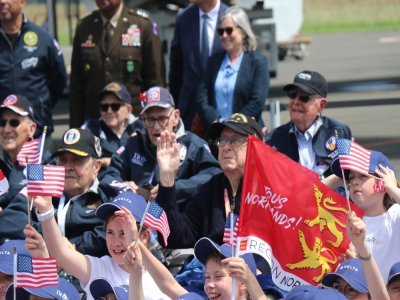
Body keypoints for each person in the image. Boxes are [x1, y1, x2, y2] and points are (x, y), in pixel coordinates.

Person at [31, 190, 169, 300]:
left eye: (123, 233)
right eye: (110, 232)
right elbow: (60, 253)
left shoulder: (159, 280)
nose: (116, 242)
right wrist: (46, 212)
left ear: (143, 236)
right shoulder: (101, 268)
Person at [101, 86, 221, 209]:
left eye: (162, 119)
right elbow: (109, 176)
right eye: (150, 119)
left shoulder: (193, 145)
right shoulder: (134, 143)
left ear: (175, 117)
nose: (156, 127)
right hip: (135, 218)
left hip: (178, 219)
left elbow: (214, 174)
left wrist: (171, 189)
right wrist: (126, 190)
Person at [155, 112, 263, 248]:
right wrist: (167, 179)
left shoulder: (270, 191)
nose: (226, 147)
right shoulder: (209, 191)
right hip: (216, 267)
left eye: (235, 140)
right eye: (222, 140)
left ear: (255, 147)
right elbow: (173, 238)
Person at [0, 128, 113, 257]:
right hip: (41, 268)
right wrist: (49, 234)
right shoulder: (43, 187)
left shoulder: (107, 193)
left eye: (77, 160)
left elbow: (114, 233)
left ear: (96, 166)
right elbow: (6, 221)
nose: (68, 167)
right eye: (63, 160)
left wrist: (75, 246)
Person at [69, 0, 165, 128]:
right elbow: (77, 85)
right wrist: (75, 128)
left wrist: (154, 123)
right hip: (95, 124)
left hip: (133, 123)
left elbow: (155, 81)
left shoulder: (142, 25)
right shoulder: (85, 27)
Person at [265, 70, 352, 179]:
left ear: (321, 105)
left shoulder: (340, 133)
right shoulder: (274, 138)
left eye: (304, 97)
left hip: (330, 195)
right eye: (292, 94)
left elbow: (349, 176)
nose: (296, 101)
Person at [331, 146, 400, 280]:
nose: (354, 182)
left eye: (363, 176)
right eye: (351, 178)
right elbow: (302, 205)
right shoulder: (346, 218)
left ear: (383, 182)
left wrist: (392, 187)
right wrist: (335, 180)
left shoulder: (394, 215)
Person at [196, 6, 269, 131]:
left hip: (247, 133)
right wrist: (214, 120)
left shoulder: (258, 62)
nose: (224, 35)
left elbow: (257, 101)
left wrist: (234, 124)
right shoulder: (214, 61)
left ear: (243, 32)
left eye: (229, 30)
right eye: (220, 31)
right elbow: (201, 96)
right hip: (217, 134)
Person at [0, 0, 67, 137]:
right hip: (2, 132)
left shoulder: (43, 38)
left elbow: (59, 80)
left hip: (37, 130)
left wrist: (41, 106)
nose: (2, 1)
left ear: (22, 2)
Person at [169, 0, 228, 129]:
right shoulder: (184, 18)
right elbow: (176, 68)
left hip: (222, 114)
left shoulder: (230, 17)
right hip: (189, 112)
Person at [0, 94, 51, 211]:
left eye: (14, 123)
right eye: (2, 123)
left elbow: (34, 212)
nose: (6, 129)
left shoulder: (40, 162)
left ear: (31, 129)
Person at [81, 81, 143, 170]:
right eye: (104, 107)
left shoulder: (141, 129)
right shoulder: (90, 129)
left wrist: (110, 161)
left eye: (115, 106)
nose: (109, 111)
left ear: (128, 110)